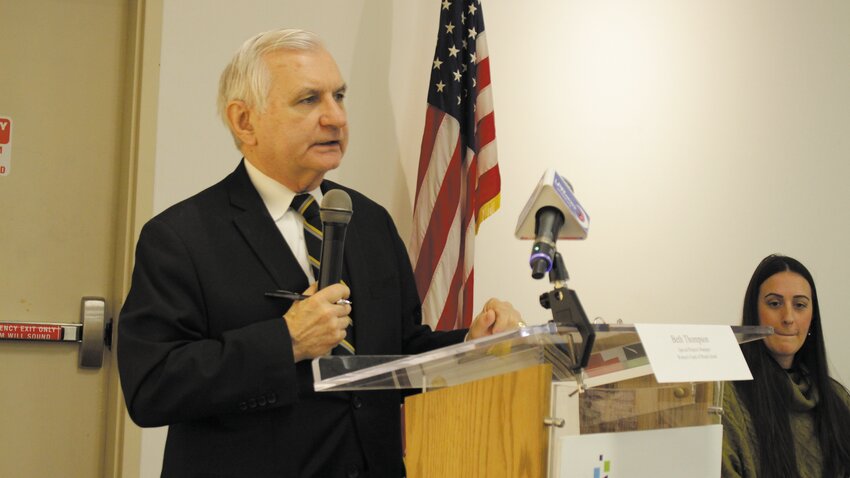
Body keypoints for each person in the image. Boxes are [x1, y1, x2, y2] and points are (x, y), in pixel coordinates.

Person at [117, 28, 522, 478]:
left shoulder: (369, 221)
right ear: (244, 121)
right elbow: (151, 387)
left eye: (339, 96)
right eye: (309, 100)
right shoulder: (180, 237)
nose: (335, 117)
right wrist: (284, 341)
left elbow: (398, 352)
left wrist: (471, 344)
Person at [722, 254, 850, 477]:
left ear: (812, 319)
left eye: (800, 305)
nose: (788, 317)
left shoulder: (838, 399)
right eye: (774, 303)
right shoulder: (726, 400)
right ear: (754, 313)